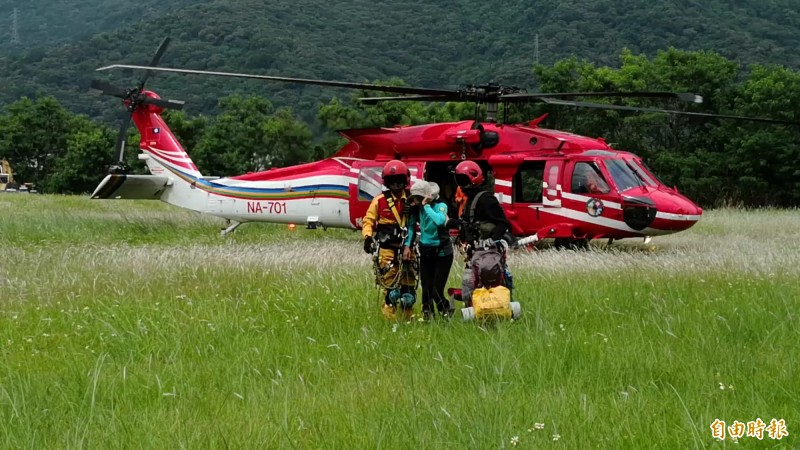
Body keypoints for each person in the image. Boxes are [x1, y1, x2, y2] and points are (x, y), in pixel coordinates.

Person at [361, 160, 417, 320]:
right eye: (392, 181)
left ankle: (408, 320)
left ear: (405, 180)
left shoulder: (413, 201)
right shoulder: (379, 201)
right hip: (387, 250)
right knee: (390, 290)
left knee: (408, 291)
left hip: (408, 249)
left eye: (399, 180)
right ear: (386, 182)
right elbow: (368, 220)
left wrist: (415, 209)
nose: (396, 185)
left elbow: (420, 222)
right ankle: (389, 321)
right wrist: (367, 237)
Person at [454, 160, 512, 304]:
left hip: (488, 255)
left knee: (490, 285)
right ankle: (474, 309)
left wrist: (493, 241)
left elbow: (502, 223)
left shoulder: (486, 200)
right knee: (471, 287)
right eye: (459, 181)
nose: (462, 185)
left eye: (464, 180)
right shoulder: (470, 200)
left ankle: (495, 310)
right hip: (474, 252)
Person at [405, 180, 454, 320]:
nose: (416, 201)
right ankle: (427, 315)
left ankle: (445, 311)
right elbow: (411, 227)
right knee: (426, 289)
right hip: (426, 253)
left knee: (436, 291)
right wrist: (407, 245)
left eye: (418, 198)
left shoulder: (441, 206)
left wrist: (426, 206)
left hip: (442, 254)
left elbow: (439, 221)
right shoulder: (417, 209)